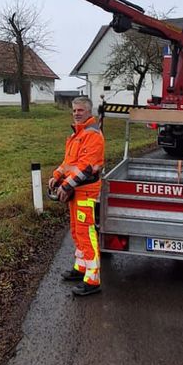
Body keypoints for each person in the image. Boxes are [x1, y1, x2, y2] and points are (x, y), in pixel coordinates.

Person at [49, 96, 105, 297]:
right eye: (74, 110)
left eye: (80, 110)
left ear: (89, 112)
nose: (76, 113)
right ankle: (81, 268)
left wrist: (66, 185)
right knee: (76, 230)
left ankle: (92, 279)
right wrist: (56, 175)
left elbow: (86, 168)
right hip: (76, 190)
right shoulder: (77, 134)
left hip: (86, 190)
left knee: (86, 233)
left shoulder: (93, 135)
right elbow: (69, 163)